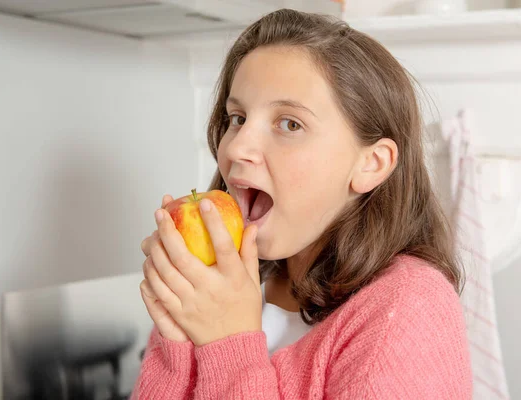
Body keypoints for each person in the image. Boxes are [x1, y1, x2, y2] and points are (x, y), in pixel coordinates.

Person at [132, 8, 472, 400]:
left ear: (371, 164)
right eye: (237, 117)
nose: (238, 147)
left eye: (289, 124)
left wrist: (228, 345)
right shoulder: (216, 289)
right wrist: (176, 346)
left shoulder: (407, 308)